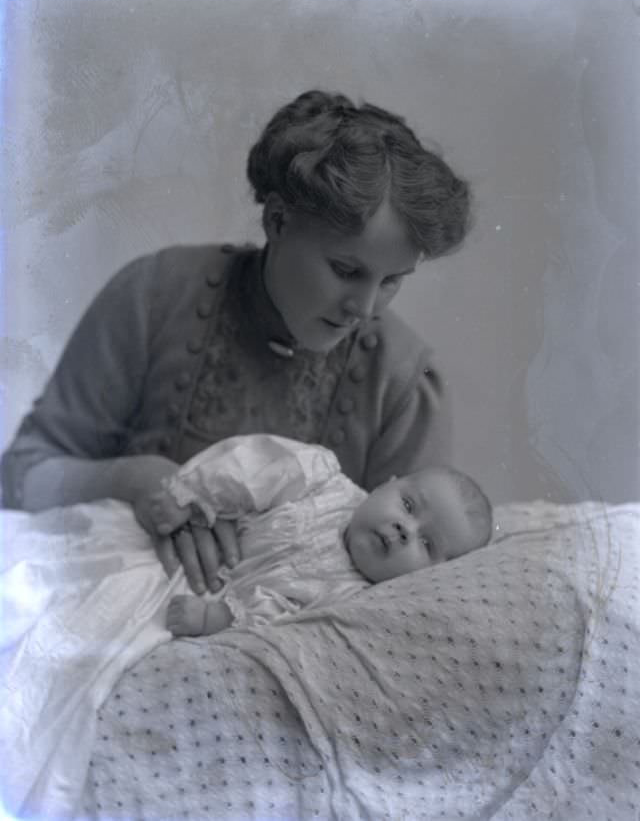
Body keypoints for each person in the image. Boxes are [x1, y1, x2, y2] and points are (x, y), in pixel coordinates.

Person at [0, 89, 472, 596]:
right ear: (277, 220)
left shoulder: (403, 382)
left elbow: (415, 592)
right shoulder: (155, 296)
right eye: (346, 270)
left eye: (392, 280)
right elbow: (19, 477)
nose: (366, 306)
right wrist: (129, 479)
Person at [136, 433, 492, 637]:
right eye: (409, 505)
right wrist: (191, 496)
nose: (405, 530)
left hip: (200, 608)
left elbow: (288, 628)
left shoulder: (355, 601)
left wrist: (216, 619)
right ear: (389, 483)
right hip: (175, 556)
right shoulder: (320, 480)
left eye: (427, 544)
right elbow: (254, 466)